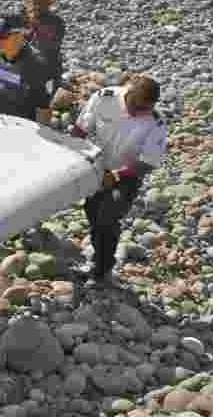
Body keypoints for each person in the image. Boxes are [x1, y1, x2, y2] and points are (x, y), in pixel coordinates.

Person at [70, 73, 168, 286]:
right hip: (97, 167)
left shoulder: (155, 123)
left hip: (127, 175)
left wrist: (115, 176)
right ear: (128, 92)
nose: (137, 112)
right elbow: (80, 129)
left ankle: (102, 269)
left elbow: (148, 163)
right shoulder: (105, 98)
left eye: (144, 109)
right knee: (93, 213)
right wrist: (72, 156)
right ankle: (98, 258)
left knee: (108, 215)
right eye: (135, 105)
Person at [0, 16, 53, 124]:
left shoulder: (36, 65)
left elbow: (44, 110)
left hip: (23, 127)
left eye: (2, 36)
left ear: (19, 36)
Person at [5, 0, 66, 97]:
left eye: (37, 3)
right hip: (37, 67)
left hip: (47, 71)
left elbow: (48, 47)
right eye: (34, 2)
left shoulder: (55, 22)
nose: (34, 6)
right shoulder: (36, 19)